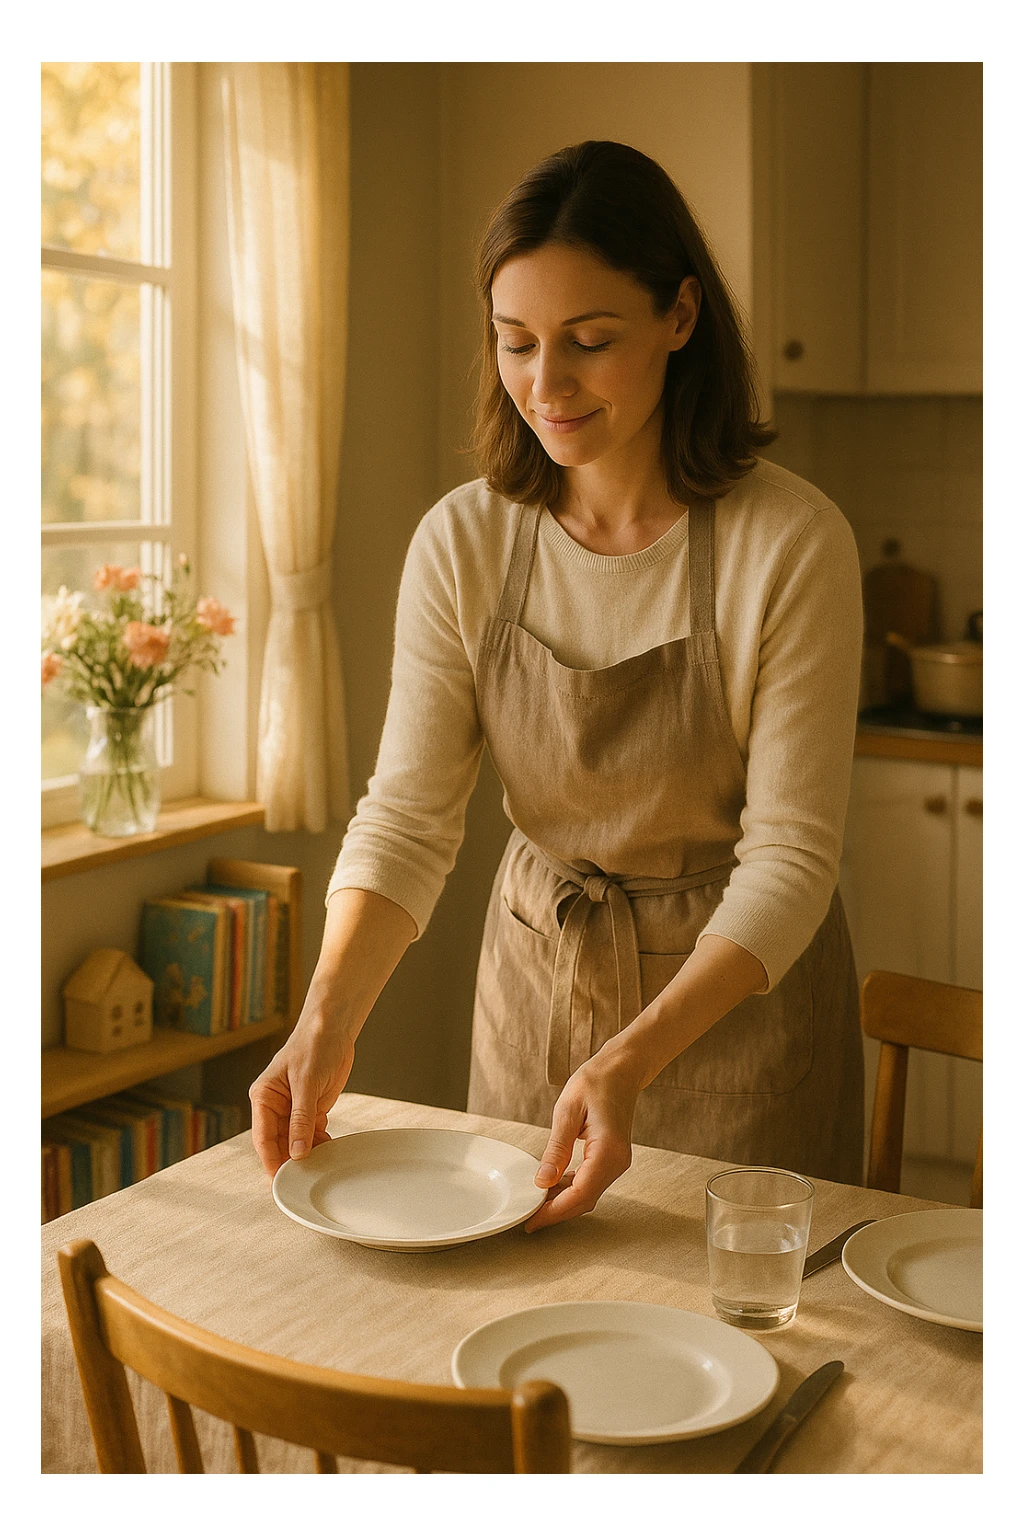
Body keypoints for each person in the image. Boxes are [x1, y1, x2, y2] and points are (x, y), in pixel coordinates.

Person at [250, 140, 865, 1229]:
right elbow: (406, 818)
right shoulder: (463, 542)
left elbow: (791, 861)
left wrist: (631, 1056)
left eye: (588, 342)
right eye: (516, 343)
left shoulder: (791, 542)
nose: (545, 385)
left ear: (680, 317)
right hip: (536, 992)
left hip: (739, 1009)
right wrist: (325, 1020)